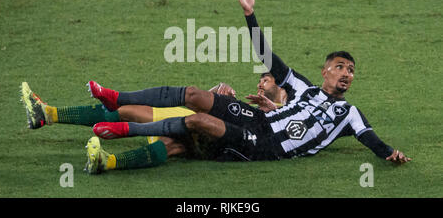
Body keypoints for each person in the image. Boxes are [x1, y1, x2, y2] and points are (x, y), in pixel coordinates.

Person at [83, 0, 411, 174]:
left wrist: (388, 153)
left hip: (268, 147)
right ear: (325, 71)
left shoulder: (348, 113)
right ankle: (118, 98)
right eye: (340, 67)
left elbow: (369, 138)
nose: (346, 73)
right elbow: (266, 57)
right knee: (196, 95)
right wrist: (249, 14)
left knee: (198, 122)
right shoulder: (302, 88)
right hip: (258, 121)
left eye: (351, 71)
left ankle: (124, 131)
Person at [21, 72, 287, 172]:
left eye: (267, 80)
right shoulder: (250, 108)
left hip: (208, 138)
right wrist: (218, 89)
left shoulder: (283, 120)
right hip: (191, 121)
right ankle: (50, 114)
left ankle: (108, 161)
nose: (261, 84)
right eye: (261, 80)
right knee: (128, 111)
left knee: (173, 145)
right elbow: (209, 108)